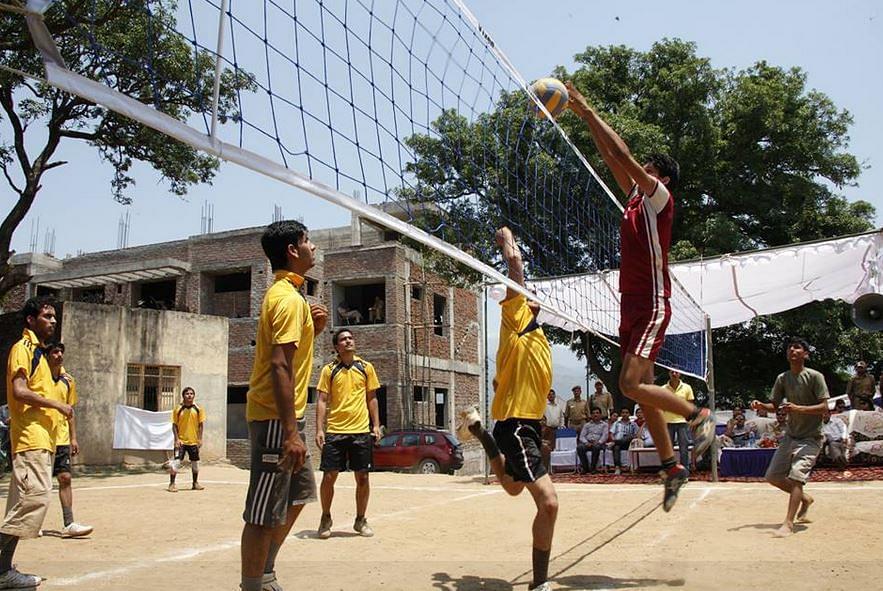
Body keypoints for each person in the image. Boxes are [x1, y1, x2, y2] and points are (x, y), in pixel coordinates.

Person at [566, 82, 715, 511]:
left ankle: (697, 415)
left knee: (629, 385)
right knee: (643, 389)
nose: (639, 170)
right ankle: (672, 467)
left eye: (648, 168)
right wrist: (583, 120)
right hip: (630, 301)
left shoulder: (660, 198)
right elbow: (612, 155)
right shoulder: (634, 199)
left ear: (660, 178)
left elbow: (624, 155)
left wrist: (587, 108)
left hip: (651, 301)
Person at [457, 227, 557, 591]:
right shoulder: (515, 317)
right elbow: (515, 266)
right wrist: (508, 239)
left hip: (524, 425)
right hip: (516, 426)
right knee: (549, 503)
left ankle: (482, 434)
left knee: (514, 489)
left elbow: (510, 380)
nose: (532, 296)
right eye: (527, 293)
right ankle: (539, 584)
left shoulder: (537, 337)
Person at [240, 220, 328, 591]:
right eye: (307, 241)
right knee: (263, 513)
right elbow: (279, 366)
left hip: (291, 419)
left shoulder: (292, 297)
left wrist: (313, 330)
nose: (313, 246)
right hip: (276, 420)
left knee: (301, 494)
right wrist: (290, 433)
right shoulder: (287, 299)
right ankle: (253, 584)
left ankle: (265, 572)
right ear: (292, 251)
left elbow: (290, 357)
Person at [0, 297, 74, 588]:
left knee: (22, 507)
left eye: (54, 316)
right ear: (31, 320)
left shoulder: (41, 356)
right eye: (46, 316)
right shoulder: (24, 349)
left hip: (44, 440)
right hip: (30, 439)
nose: (53, 321)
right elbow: (19, 391)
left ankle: (3, 571)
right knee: (35, 500)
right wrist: (56, 405)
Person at [751, 337, 828, 538]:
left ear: (805, 354)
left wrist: (797, 408)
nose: (792, 350)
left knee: (796, 477)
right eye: (789, 348)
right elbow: (774, 406)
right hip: (791, 436)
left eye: (797, 347)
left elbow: (824, 407)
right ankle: (805, 499)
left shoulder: (815, 376)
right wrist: (761, 405)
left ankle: (788, 523)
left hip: (811, 437)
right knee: (772, 477)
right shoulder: (782, 378)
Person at [315, 328, 382, 539]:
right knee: (329, 477)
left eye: (350, 338)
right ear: (337, 346)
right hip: (335, 431)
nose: (348, 341)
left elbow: (372, 397)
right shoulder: (329, 370)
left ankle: (360, 520)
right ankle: (325, 518)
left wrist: (376, 425)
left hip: (361, 431)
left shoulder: (366, 367)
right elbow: (322, 400)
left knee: (363, 477)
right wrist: (319, 429)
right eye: (343, 339)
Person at [45, 342, 93, 537]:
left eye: (61, 352)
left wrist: (73, 437)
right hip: (43, 437)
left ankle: (69, 523)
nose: (59, 355)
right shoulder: (38, 377)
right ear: (47, 355)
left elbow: (70, 411)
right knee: (39, 484)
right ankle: (32, 522)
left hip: (62, 438)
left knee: (65, 478)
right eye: (55, 352)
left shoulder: (68, 380)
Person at [169, 387, 206, 492]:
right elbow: (174, 425)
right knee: (176, 462)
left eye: (191, 393)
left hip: (193, 442)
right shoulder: (178, 409)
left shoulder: (198, 409)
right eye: (187, 394)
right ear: (183, 396)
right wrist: (176, 439)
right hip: (181, 442)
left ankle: (195, 483)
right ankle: (172, 484)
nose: (189, 395)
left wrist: (200, 439)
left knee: (195, 463)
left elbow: (201, 425)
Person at [662, 370, 694, 471]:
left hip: (682, 422)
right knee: (668, 449)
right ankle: (670, 470)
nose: (674, 374)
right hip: (667, 422)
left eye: (676, 372)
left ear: (680, 374)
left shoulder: (687, 387)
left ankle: (685, 470)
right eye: (672, 372)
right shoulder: (663, 389)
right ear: (669, 373)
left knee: (684, 448)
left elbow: (690, 405)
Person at [577, 408, 608, 474]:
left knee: (596, 447)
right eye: (593, 413)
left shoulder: (604, 425)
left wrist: (598, 442)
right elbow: (581, 436)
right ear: (591, 415)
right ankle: (585, 468)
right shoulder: (587, 425)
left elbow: (605, 436)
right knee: (580, 447)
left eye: (597, 413)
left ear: (600, 415)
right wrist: (586, 442)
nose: (595, 415)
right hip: (588, 443)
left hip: (599, 443)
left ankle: (593, 468)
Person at [609, 408, 637, 475]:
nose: (624, 414)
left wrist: (615, 442)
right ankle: (617, 468)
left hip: (629, 443)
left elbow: (636, 435)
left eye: (626, 413)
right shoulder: (616, 423)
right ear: (621, 414)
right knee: (616, 447)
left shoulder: (633, 424)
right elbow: (611, 434)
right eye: (623, 413)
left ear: (629, 414)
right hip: (618, 444)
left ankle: (616, 442)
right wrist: (613, 439)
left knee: (628, 437)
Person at [541, 389, 564, 471]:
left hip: (556, 430)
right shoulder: (544, 406)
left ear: (555, 396)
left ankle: (554, 467)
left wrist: (562, 425)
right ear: (547, 396)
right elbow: (541, 417)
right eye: (549, 395)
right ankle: (546, 468)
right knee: (547, 448)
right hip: (547, 429)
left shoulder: (558, 406)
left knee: (555, 448)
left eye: (552, 394)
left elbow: (561, 417)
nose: (551, 396)